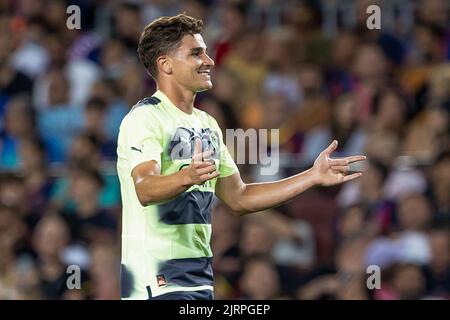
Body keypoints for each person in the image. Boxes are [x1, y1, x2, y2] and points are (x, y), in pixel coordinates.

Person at [116, 14, 366, 300]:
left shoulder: (207, 124)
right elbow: (144, 188)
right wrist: (187, 175)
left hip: (197, 274)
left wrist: (311, 176)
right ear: (165, 64)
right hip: (154, 274)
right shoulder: (146, 117)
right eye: (196, 53)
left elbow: (239, 198)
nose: (209, 60)